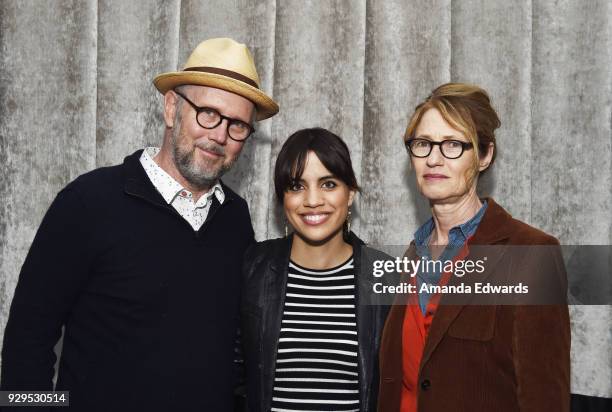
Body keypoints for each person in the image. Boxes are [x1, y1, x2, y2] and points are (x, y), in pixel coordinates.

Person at [1, 38, 278, 411]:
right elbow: (24, 346)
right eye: (208, 113)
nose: (220, 136)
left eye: (238, 125)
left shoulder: (235, 220)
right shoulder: (87, 203)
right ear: (171, 107)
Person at [377, 83, 570, 412]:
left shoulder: (531, 255)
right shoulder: (411, 256)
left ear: (484, 155)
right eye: (423, 144)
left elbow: (544, 398)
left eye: (452, 144)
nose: (434, 159)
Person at [241, 128, 389, 411]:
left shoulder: (385, 276)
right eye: (296, 186)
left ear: (351, 194)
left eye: (328, 184)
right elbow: (234, 378)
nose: (312, 200)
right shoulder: (253, 268)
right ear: (282, 199)